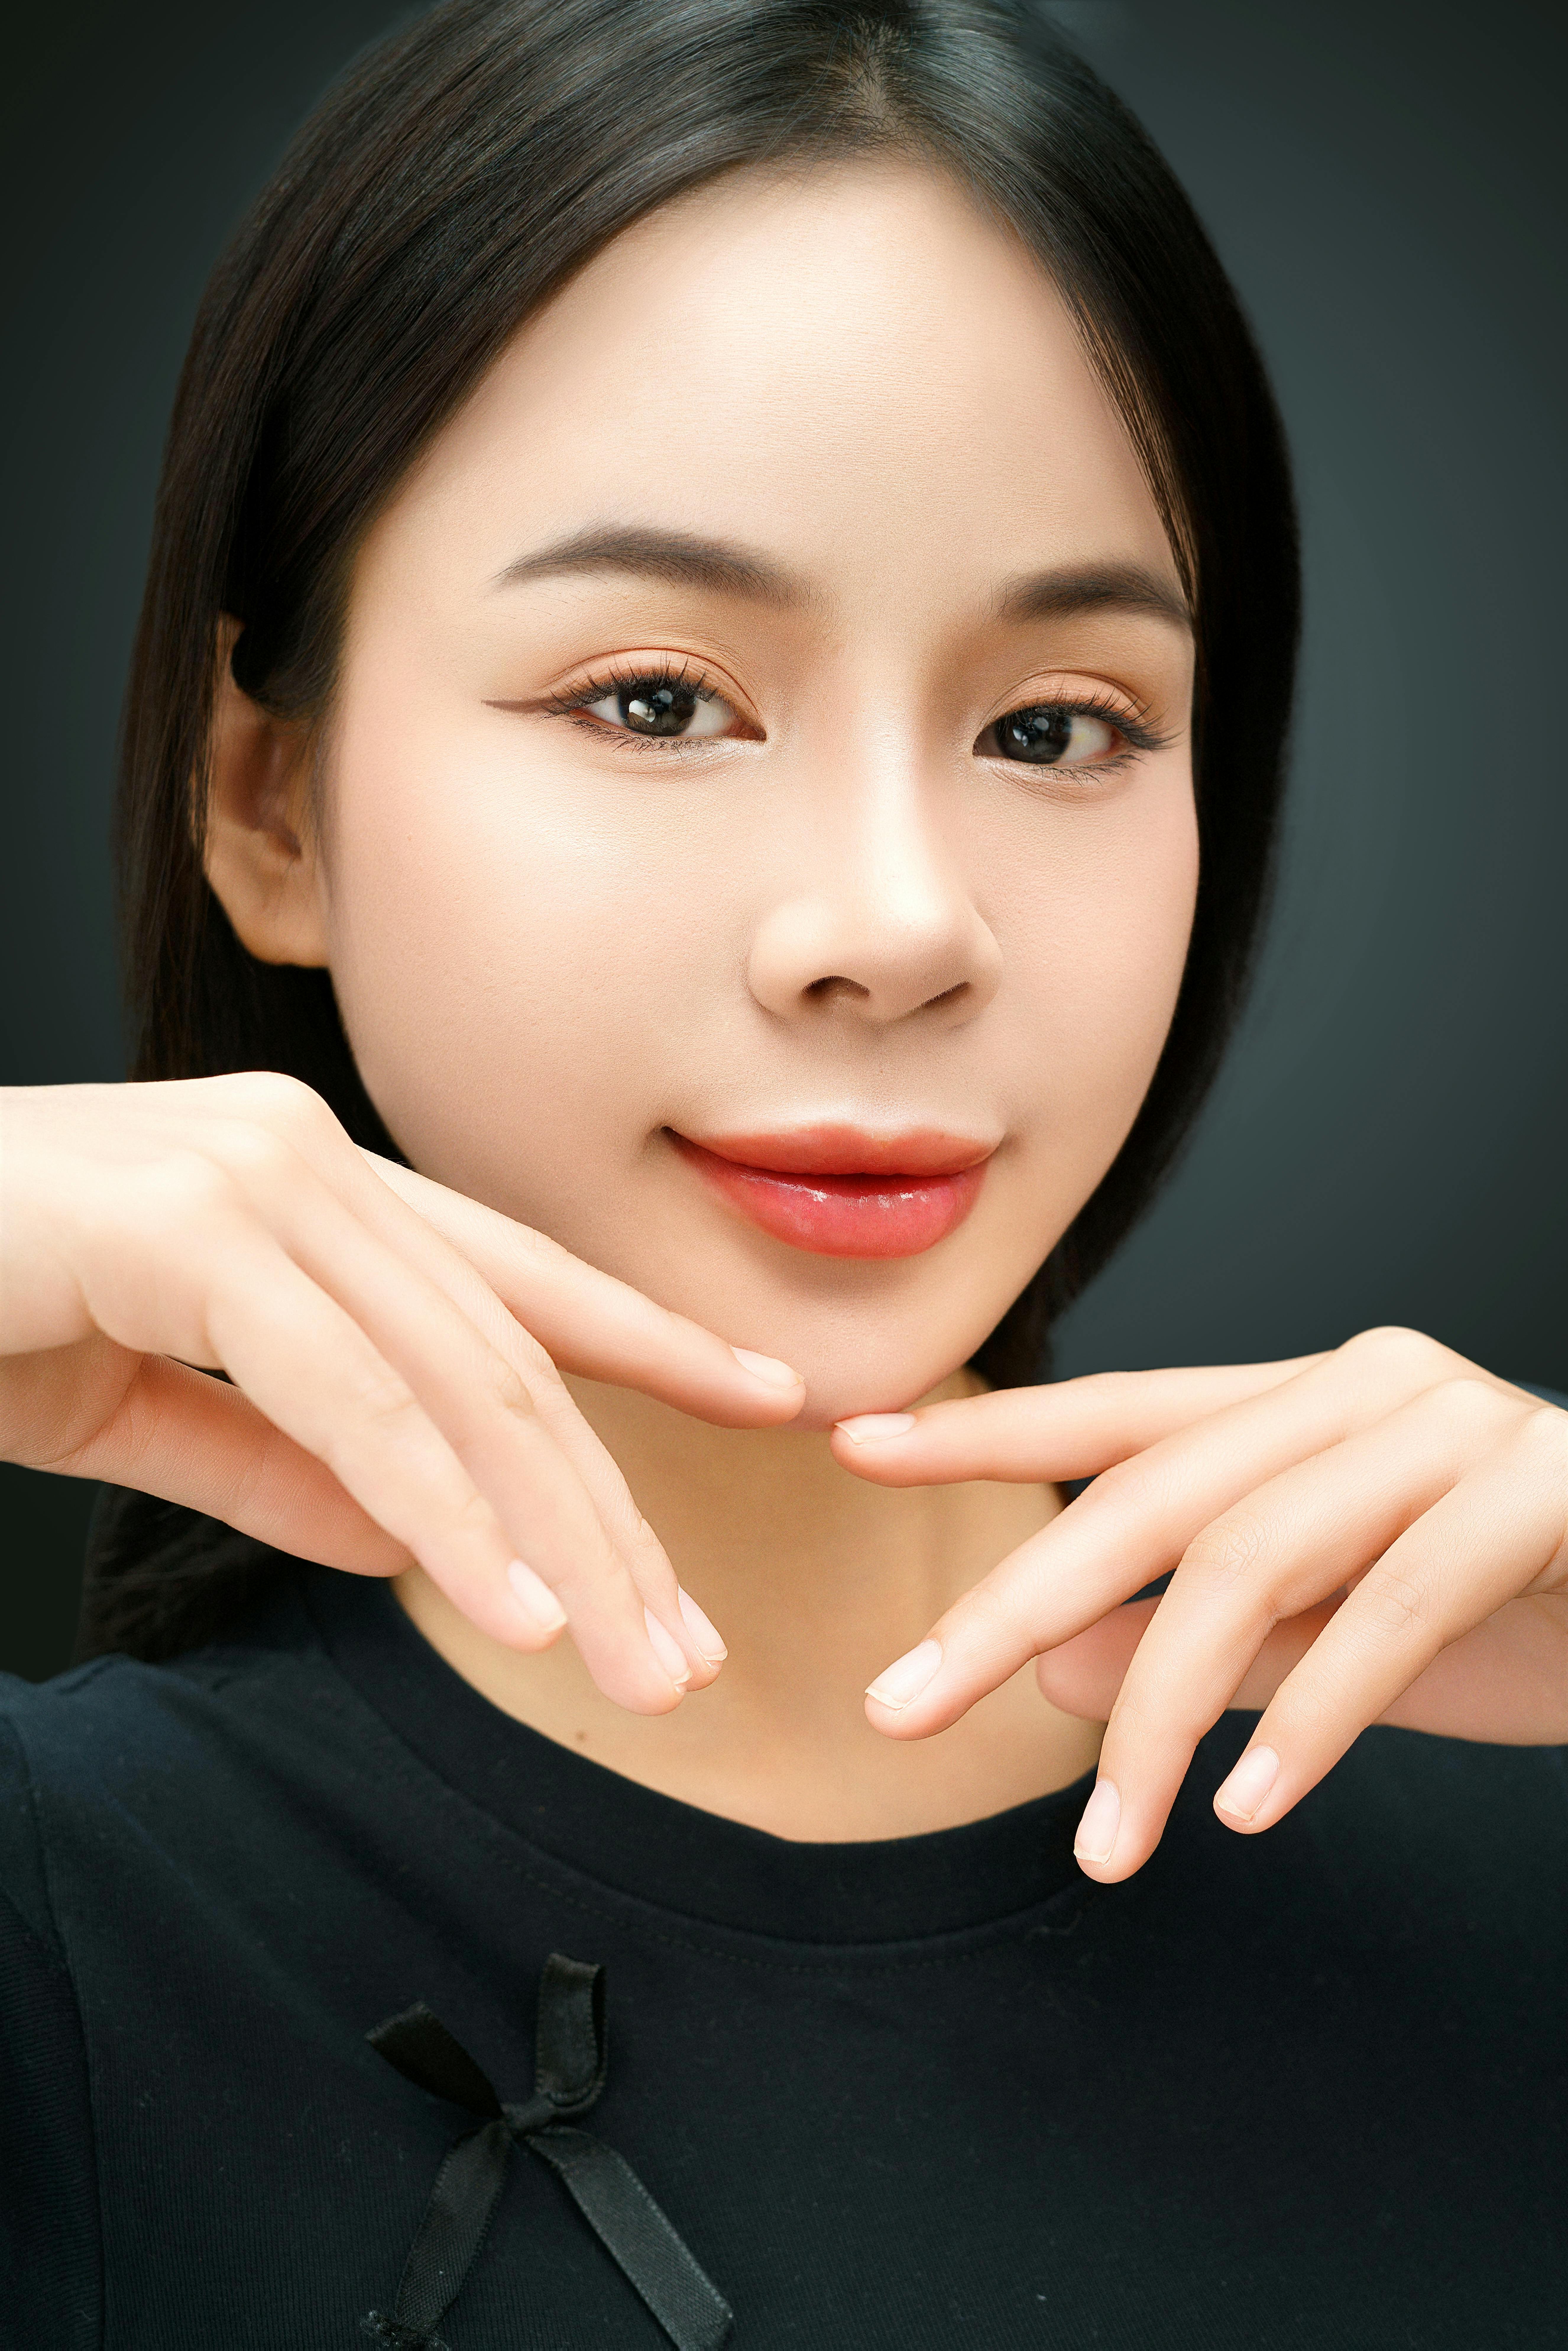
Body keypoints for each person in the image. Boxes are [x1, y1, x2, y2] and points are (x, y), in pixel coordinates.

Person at [0, 1, 1562, 2344]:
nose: (892, 926)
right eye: (655, 698)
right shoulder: (62, 1921)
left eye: (1059, 727)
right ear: (268, 798)